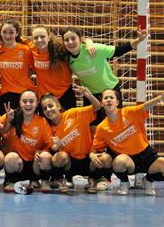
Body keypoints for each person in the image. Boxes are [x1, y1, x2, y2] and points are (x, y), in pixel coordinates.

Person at [61, 25, 148, 190]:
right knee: (94, 136)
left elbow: (119, 50)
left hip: (110, 92)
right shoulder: (67, 57)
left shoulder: (95, 50)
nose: (71, 42)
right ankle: (95, 175)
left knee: (113, 132)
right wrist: (88, 40)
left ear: (80, 39)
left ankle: (110, 176)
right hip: (91, 97)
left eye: (74, 38)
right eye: (67, 39)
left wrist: (139, 40)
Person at [91, 89, 164, 196]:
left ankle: (148, 180)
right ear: (102, 103)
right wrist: (92, 155)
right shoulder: (102, 128)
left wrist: (158, 99)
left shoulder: (130, 112)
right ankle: (124, 183)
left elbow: (145, 106)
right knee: (118, 162)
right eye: (105, 98)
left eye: (111, 97)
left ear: (117, 102)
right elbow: (95, 148)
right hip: (128, 160)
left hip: (146, 155)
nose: (108, 100)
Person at [40, 86, 110, 193]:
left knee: (105, 158)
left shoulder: (74, 114)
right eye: (45, 108)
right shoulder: (49, 128)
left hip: (87, 158)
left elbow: (97, 107)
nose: (48, 110)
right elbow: (52, 149)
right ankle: (61, 179)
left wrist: (88, 95)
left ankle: (93, 179)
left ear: (58, 106)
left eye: (50, 106)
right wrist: (57, 145)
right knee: (59, 156)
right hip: (70, 163)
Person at [3, 89, 54, 193]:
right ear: (20, 103)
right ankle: (12, 181)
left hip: (35, 165)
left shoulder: (42, 121)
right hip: (19, 165)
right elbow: (2, 131)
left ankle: (43, 180)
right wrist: (8, 121)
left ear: (37, 103)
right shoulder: (12, 116)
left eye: (31, 101)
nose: (28, 104)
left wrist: (40, 151)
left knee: (46, 156)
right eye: (24, 101)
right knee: (10, 157)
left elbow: (50, 144)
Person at [0, 18, 35, 113]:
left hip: (25, 93)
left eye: (11, 32)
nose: (8, 35)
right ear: (0, 33)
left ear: (16, 33)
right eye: (4, 32)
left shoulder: (26, 50)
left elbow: (33, 69)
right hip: (6, 93)